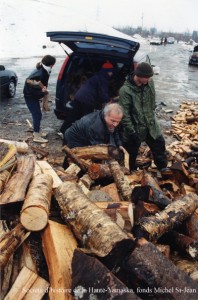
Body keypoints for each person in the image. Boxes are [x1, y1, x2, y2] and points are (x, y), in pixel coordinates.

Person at [118, 62, 167, 172]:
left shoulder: (150, 82)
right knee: (130, 152)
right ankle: (130, 172)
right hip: (135, 127)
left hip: (150, 122)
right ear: (138, 75)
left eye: (150, 77)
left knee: (159, 144)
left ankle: (163, 169)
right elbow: (124, 114)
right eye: (146, 77)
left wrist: (151, 112)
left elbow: (152, 98)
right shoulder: (125, 91)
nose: (149, 80)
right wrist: (131, 132)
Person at [60, 60, 114, 134]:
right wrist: (109, 99)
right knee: (87, 118)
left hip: (79, 96)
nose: (112, 73)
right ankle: (84, 134)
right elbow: (103, 94)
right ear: (108, 71)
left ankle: (63, 130)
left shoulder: (97, 76)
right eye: (111, 71)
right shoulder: (103, 78)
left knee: (74, 115)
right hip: (87, 100)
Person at [23, 55, 56, 143]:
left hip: (32, 95)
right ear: (52, 65)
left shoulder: (44, 69)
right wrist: (42, 92)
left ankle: (37, 132)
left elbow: (40, 84)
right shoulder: (41, 73)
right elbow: (29, 83)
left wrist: (42, 90)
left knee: (38, 114)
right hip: (30, 96)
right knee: (37, 114)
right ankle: (36, 135)